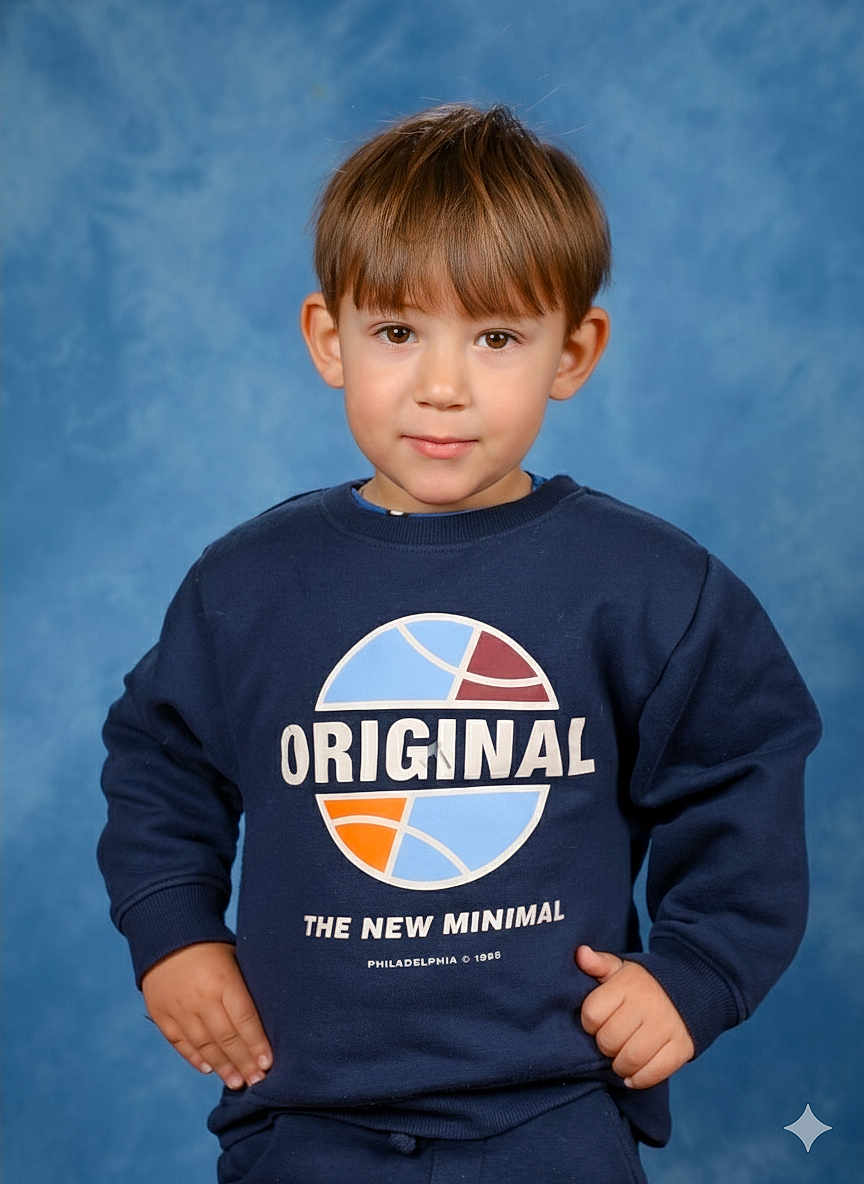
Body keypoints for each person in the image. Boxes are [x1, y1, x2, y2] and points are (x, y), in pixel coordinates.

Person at [97, 103, 822, 1183]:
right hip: (304, 1121)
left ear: (573, 350)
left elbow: (745, 768)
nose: (443, 384)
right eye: (397, 331)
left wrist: (696, 970)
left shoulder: (647, 586)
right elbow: (160, 764)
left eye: (496, 336)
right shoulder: (248, 585)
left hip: (551, 1117)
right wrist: (176, 931)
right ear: (327, 339)